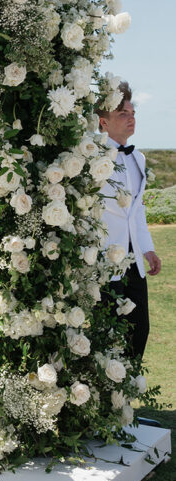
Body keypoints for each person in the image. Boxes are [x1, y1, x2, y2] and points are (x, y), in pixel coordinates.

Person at [97, 81, 161, 359]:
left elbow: (137, 210)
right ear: (103, 122)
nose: (131, 118)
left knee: (140, 328)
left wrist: (148, 248)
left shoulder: (139, 159)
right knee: (108, 331)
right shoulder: (89, 157)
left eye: (132, 112)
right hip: (102, 259)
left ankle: (127, 392)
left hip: (134, 259)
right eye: (122, 113)